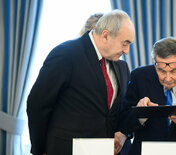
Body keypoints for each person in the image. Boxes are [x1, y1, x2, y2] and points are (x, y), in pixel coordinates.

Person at [27, 9, 135, 155]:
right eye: (124, 43)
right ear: (106, 36)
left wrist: (124, 132)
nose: (127, 51)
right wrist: (40, 150)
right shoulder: (66, 54)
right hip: (67, 149)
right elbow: (37, 105)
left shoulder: (122, 66)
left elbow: (117, 112)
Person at [120, 37, 176, 155]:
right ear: (154, 62)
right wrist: (140, 114)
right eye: (161, 71)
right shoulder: (138, 77)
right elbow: (122, 124)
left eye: (173, 71)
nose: (167, 78)